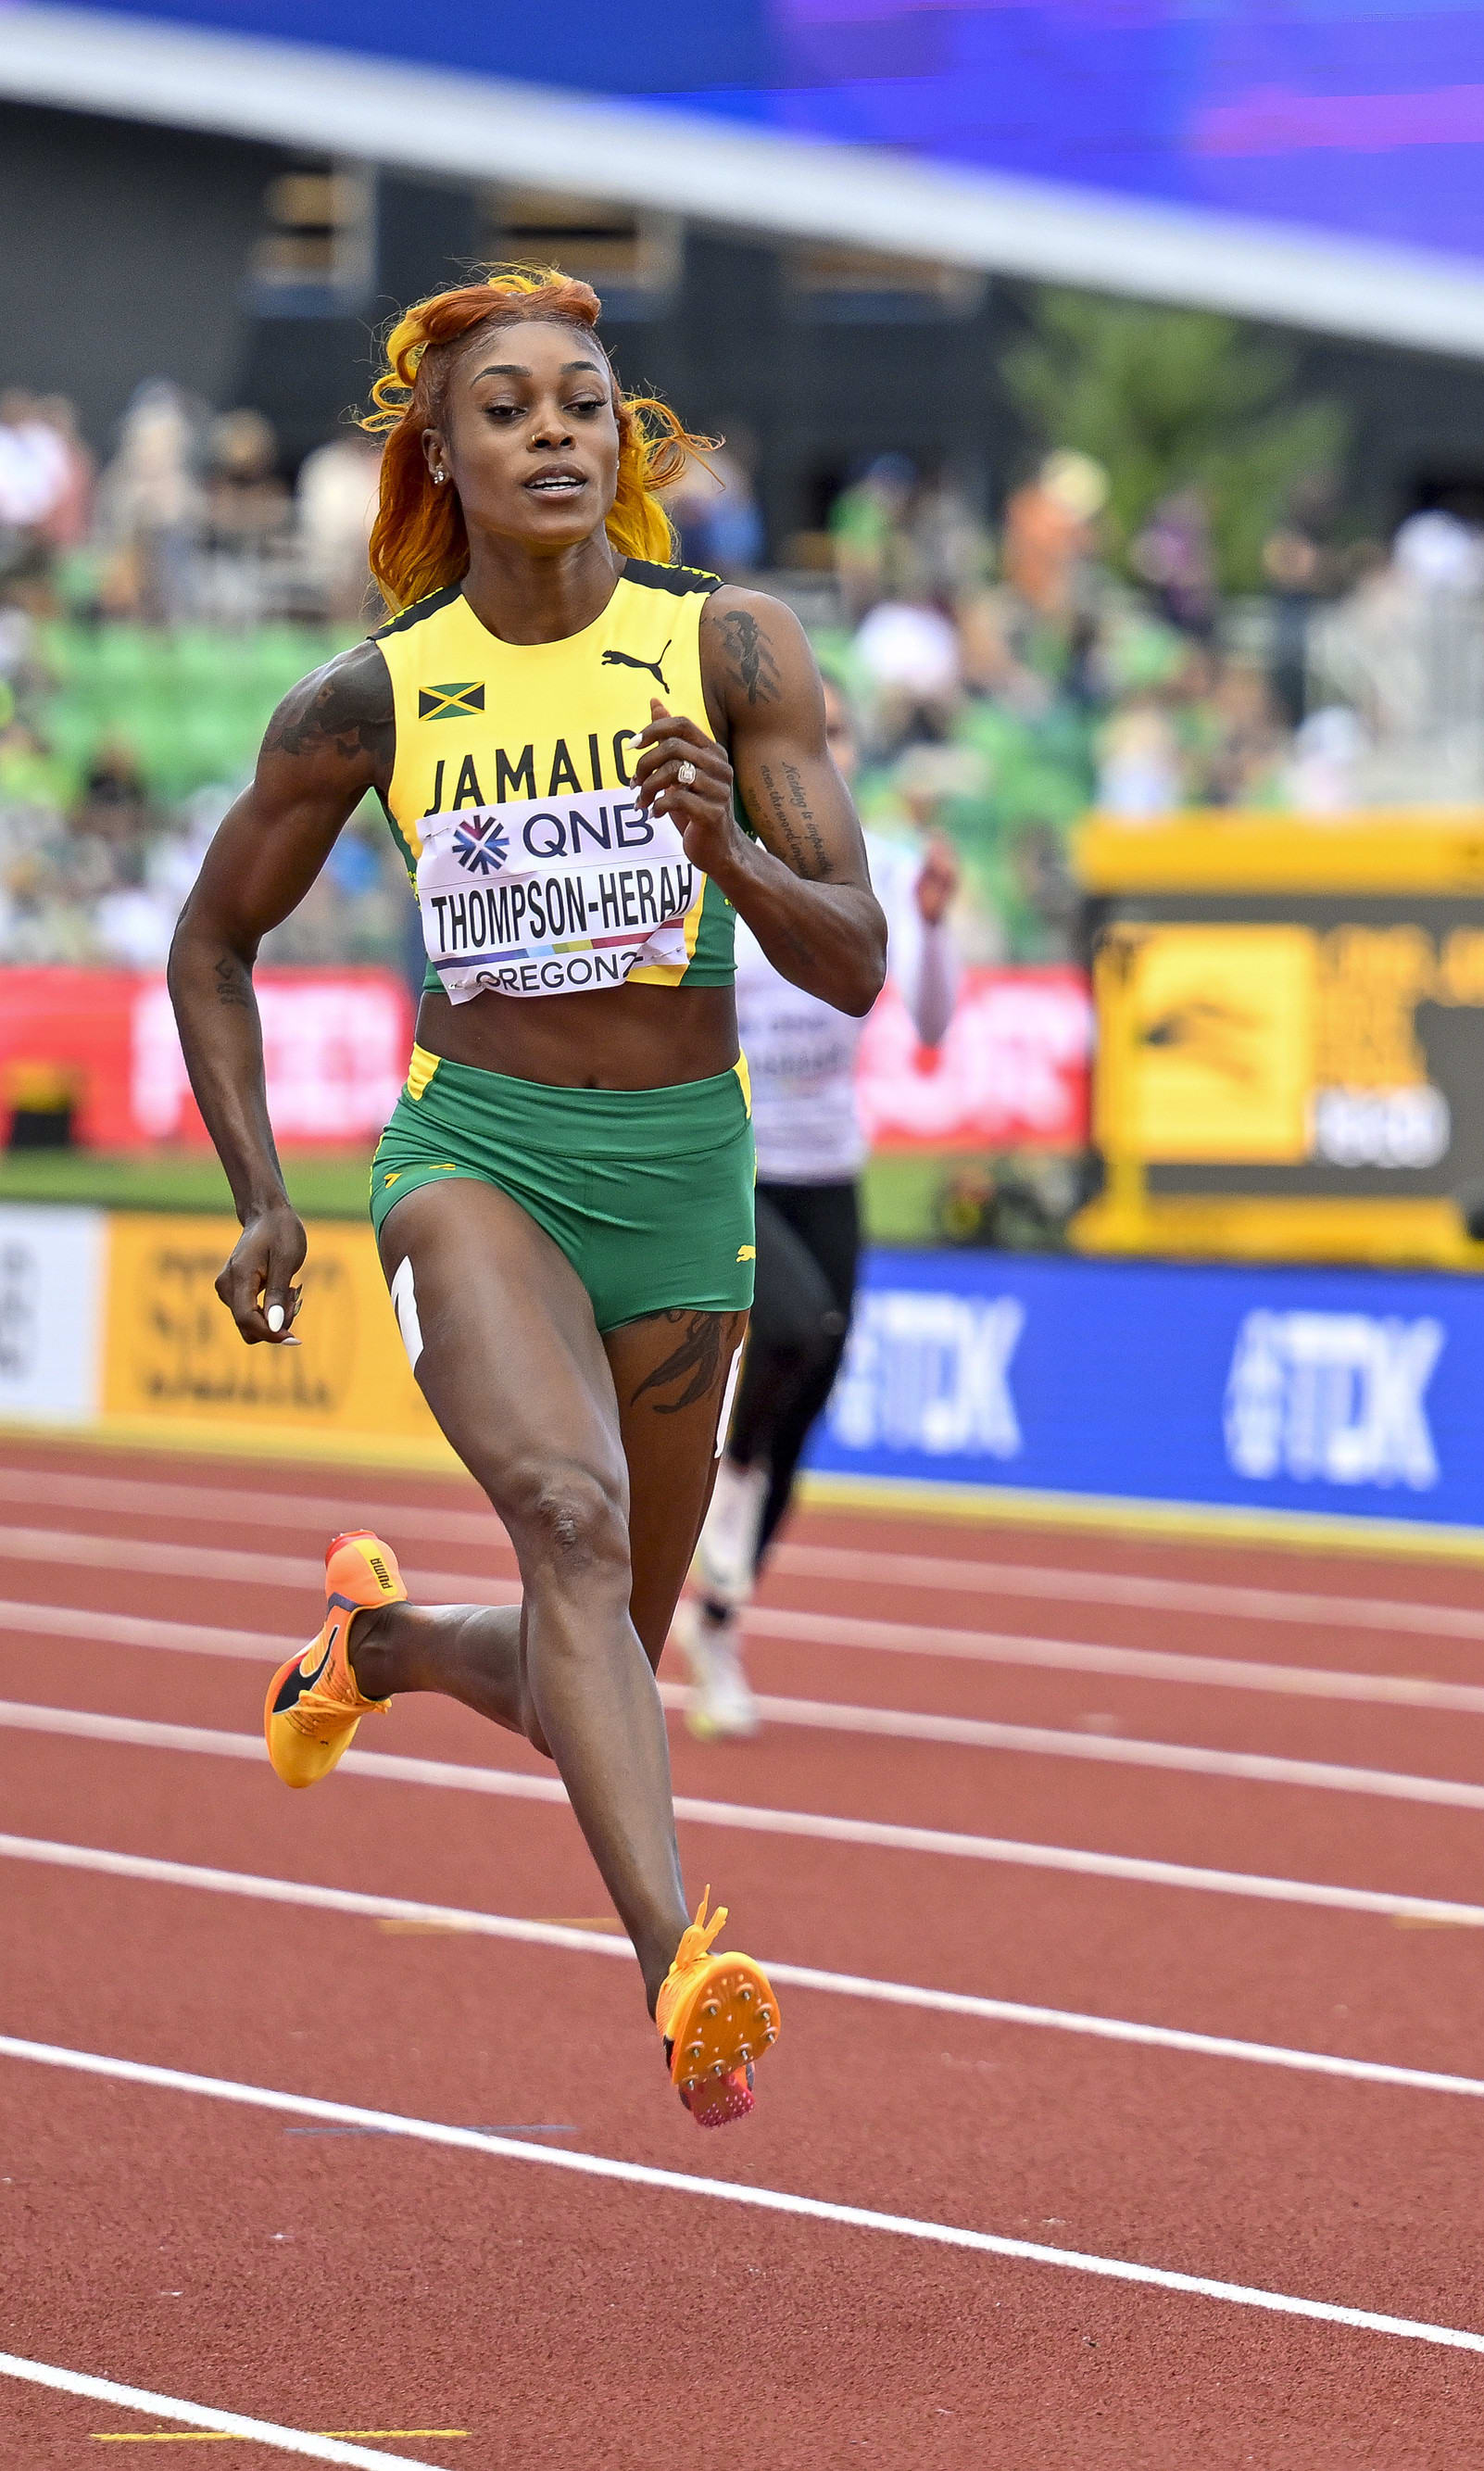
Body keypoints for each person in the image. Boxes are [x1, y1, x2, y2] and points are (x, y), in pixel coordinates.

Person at [167, 268, 891, 2128]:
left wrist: (728, 843)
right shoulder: (375, 696)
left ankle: (380, 1643)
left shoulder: (729, 650)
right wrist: (264, 1194)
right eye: (506, 408)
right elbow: (211, 945)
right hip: (476, 1154)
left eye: (584, 399)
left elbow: (860, 965)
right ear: (440, 451)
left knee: (608, 1665)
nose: (552, 429)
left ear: (622, 437)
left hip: (682, 1175)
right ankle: (681, 1967)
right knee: (565, 1526)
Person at [669, 679, 960, 1738]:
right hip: (733, 1161)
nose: (822, 752)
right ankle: (716, 1492)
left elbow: (927, 1020)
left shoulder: (863, 865)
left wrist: (931, 928)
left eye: (838, 734)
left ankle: (717, 1626)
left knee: (809, 1399)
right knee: (793, 1330)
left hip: (832, 1170)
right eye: (808, 731)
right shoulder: (707, 857)